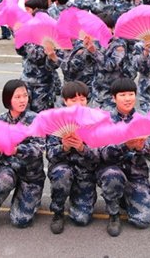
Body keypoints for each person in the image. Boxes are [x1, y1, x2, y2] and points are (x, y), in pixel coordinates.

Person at [0, 80, 45, 235]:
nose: (23, 100)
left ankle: (26, 197)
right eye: (17, 97)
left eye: (25, 95)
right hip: (9, 170)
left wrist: (16, 149)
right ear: (8, 99)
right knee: (2, 180)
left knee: (20, 221)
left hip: (31, 175)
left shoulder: (36, 120)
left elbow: (39, 149)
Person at [97, 79, 150, 236]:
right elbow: (103, 154)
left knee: (142, 221)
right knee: (112, 175)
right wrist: (126, 145)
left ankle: (125, 196)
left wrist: (142, 146)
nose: (128, 98)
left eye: (131, 94)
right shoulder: (105, 120)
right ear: (113, 98)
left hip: (136, 174)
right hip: (112, 171)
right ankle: (113, 213)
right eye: (122, 95)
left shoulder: (143, 120)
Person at [47, 81, 100, 234]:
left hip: (85, 172)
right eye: (73, 100)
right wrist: (63, 147)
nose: (78, 104)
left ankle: (79, 200)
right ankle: (58, 211)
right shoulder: (56, 121)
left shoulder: (94, 121)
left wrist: (82, 148)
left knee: (81, 219)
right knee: (62, 173)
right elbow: (50, 155)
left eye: (82, 99)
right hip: (63, 168)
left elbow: (99, 157)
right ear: (65, 101)